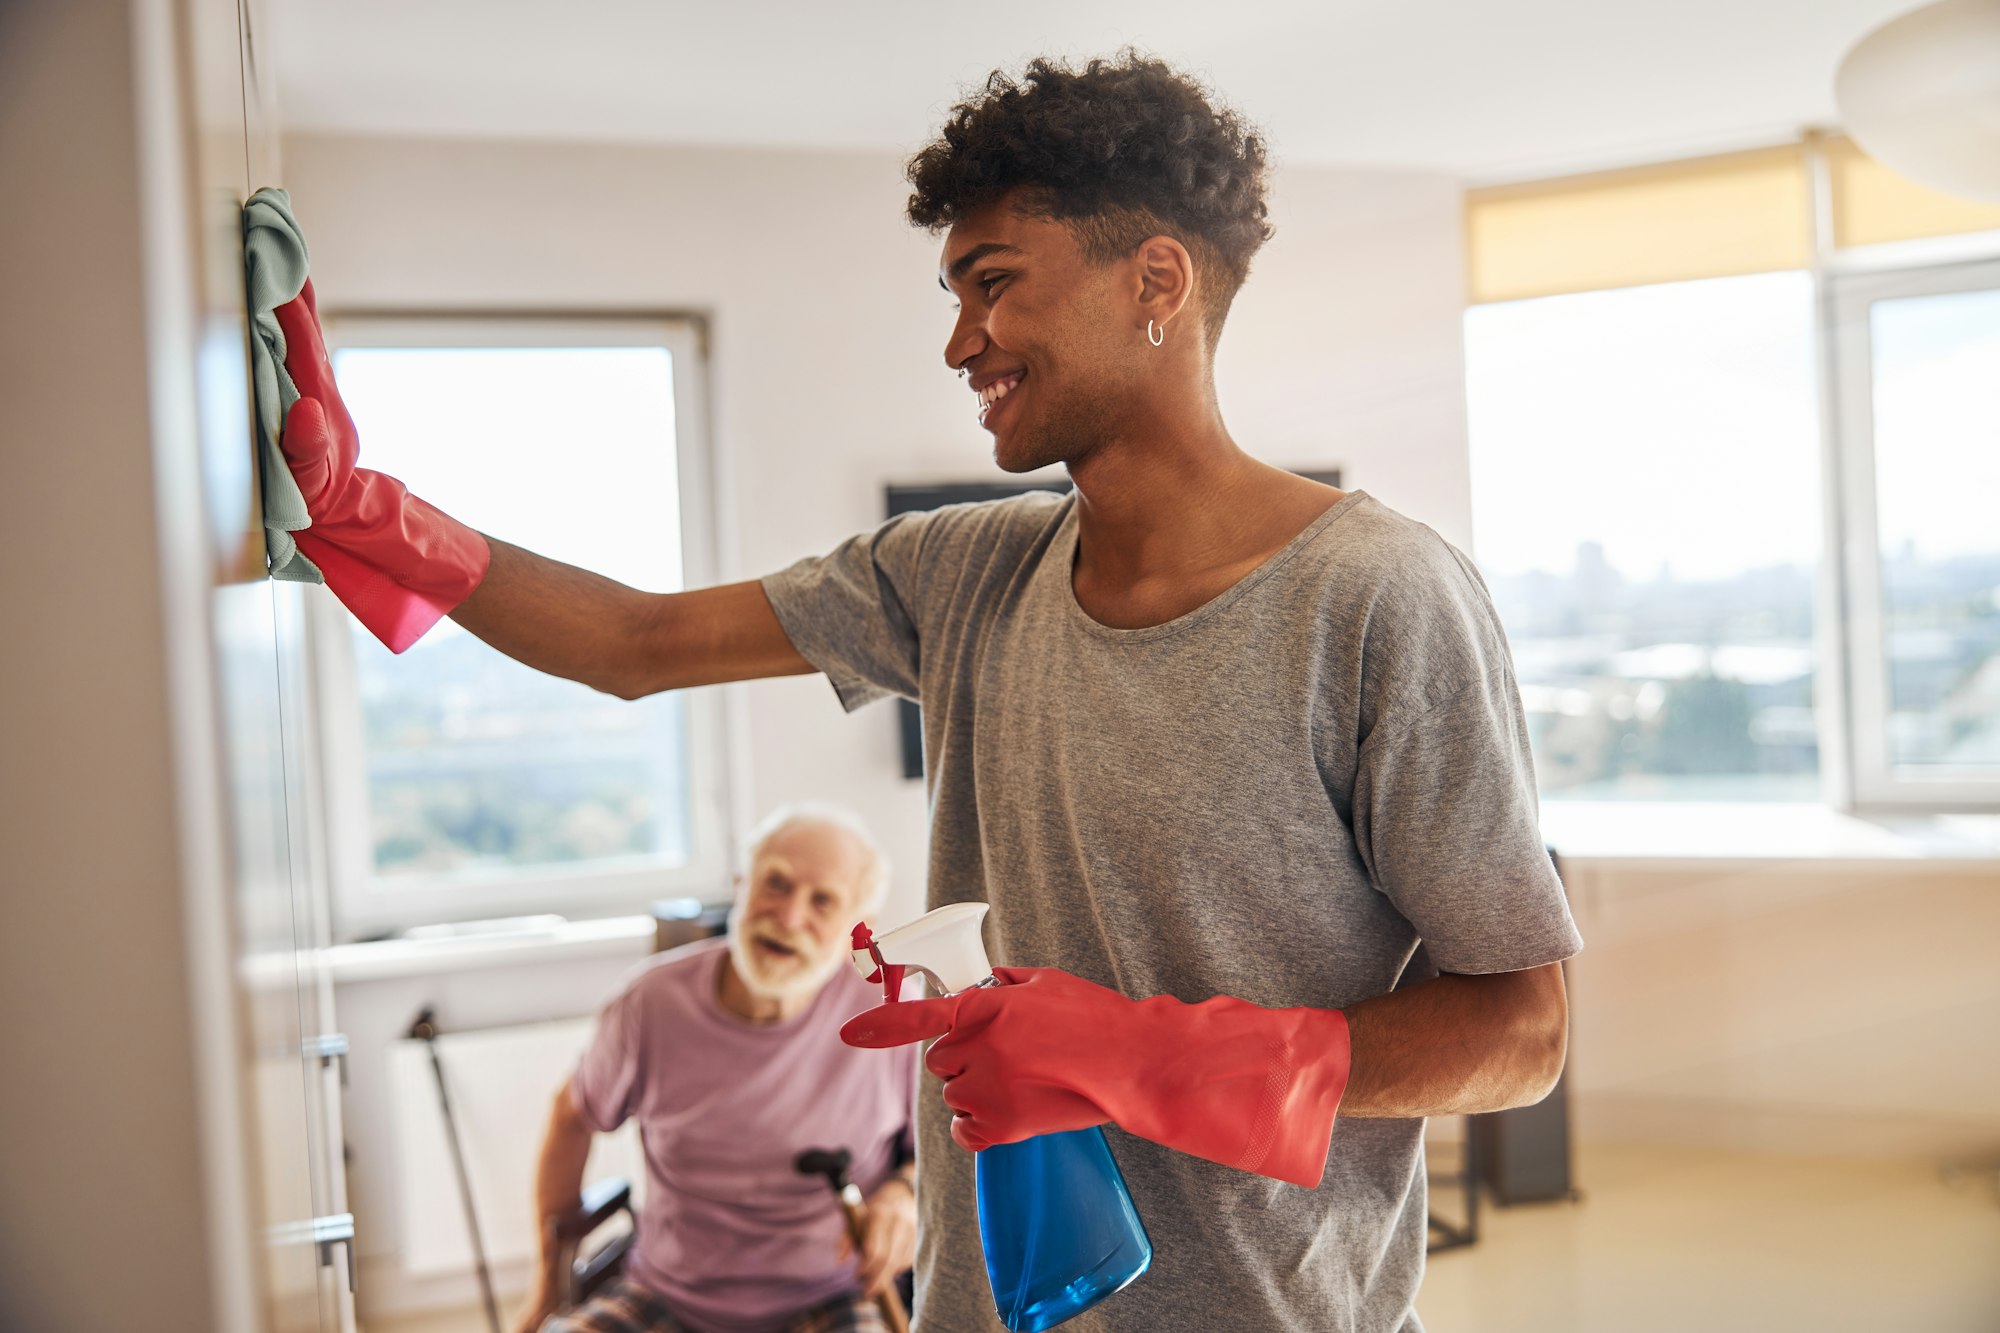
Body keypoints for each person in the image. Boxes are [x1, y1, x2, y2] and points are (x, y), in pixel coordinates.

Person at [274, 51, 1581, 1333]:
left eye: (994, 286)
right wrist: (362, 511)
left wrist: (1151, 1056)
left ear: (1156, 283)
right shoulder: (967, 570)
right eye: (954, 297)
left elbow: (1520, 1029)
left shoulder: (1378, 597)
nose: (961, 343)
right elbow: (638, 641)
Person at [515, 806, 919, 1333]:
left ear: (856, 928)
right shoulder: (651, 1002)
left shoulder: (891, 1016)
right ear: (740, 885)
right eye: (775, 884)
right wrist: (546, 1288)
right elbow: (572, 1115)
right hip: (666, 1297)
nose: (789, 916)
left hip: (828, 1299)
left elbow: (937, 1155)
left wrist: (904, 1194)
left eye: (822, 900)